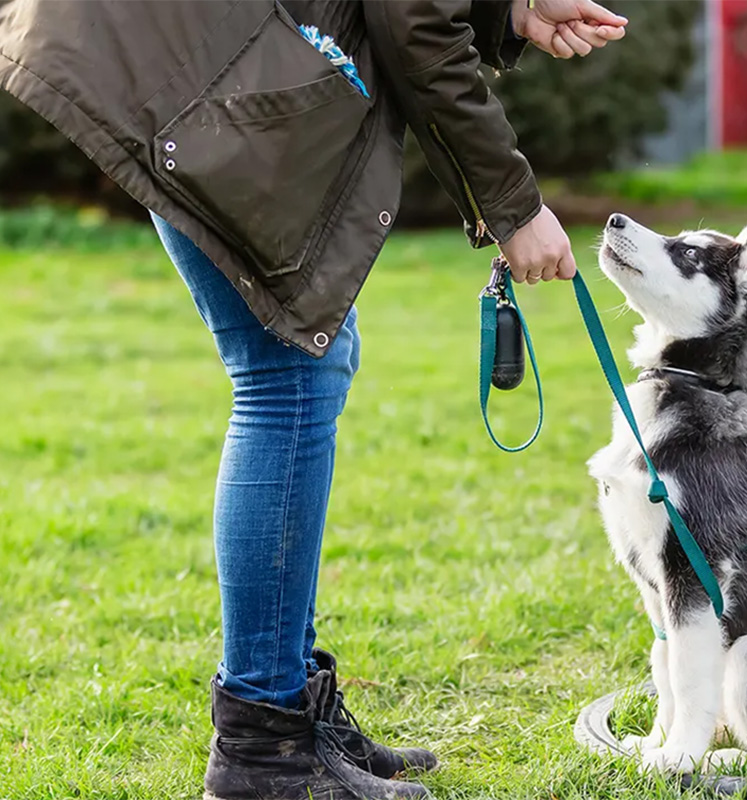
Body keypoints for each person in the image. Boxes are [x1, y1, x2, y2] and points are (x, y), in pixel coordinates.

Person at [0, 1, 627, 797]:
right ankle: (263, 743)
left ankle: (288, 706)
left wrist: (507, 9)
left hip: (182, 50)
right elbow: (416, 26)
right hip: (175, 60)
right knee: (285, 380)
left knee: (309, 364)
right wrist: (514, 206)